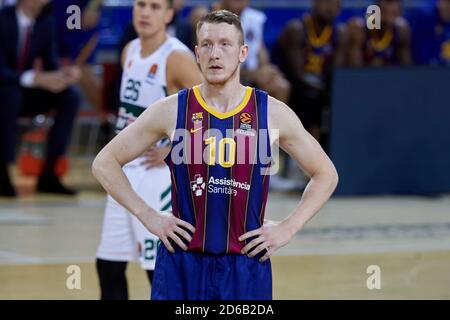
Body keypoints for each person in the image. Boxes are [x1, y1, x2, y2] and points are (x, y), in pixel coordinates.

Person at [92, 10, 338, 300]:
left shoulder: (271, 113)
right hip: (181, 265)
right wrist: (148, 216)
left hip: (245, 266)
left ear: (243, 52)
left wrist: (289, 227)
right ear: (196, 53)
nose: (215, 54)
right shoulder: (171, 110)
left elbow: (326, 174)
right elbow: (104, 163)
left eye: (225, 44)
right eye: (206, 45)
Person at [95, 0, 202, 300]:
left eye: (155, 7)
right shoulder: (129, 50)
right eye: (140, 4)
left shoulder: (177, 57)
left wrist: (174, 147)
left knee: (157, 269)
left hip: (157, 176)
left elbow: (211, 111)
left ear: (169, 15)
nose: (145, 12)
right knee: (109, 265)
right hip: (122, 171)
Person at [0, 0, 80, 197]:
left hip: (22, 90)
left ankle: (49, 173)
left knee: (69, 97)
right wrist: (33, 78)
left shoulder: (46, 23)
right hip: (6, 88)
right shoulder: (3, 19)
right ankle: (2, 172)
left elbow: (50, 64)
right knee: (10, 95)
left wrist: (64, 75)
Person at [275, 0, 345, 146]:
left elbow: (337, 75)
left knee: (336, 99)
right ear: (315, 3)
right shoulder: (297, 28)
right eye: (327, 3)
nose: (331, 8)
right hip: (293, 87)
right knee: (312, 99)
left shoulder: (339, 33)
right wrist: (326, 91)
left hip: (319, 89)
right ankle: (304, 153)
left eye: (336, 5)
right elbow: (297, 75)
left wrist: (334, 92)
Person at [347, 0, 412, 66]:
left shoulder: (402, 30)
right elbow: (356, 71)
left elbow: (406, 67)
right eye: (384, 12)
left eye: (394, 13)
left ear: (400, 13)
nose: (388, 18)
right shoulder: (359, 29)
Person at [410, 0, 450, 65]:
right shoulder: (424, 16)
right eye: (447, 3)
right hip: (423, 69)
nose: (448, 7)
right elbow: (422, 58)